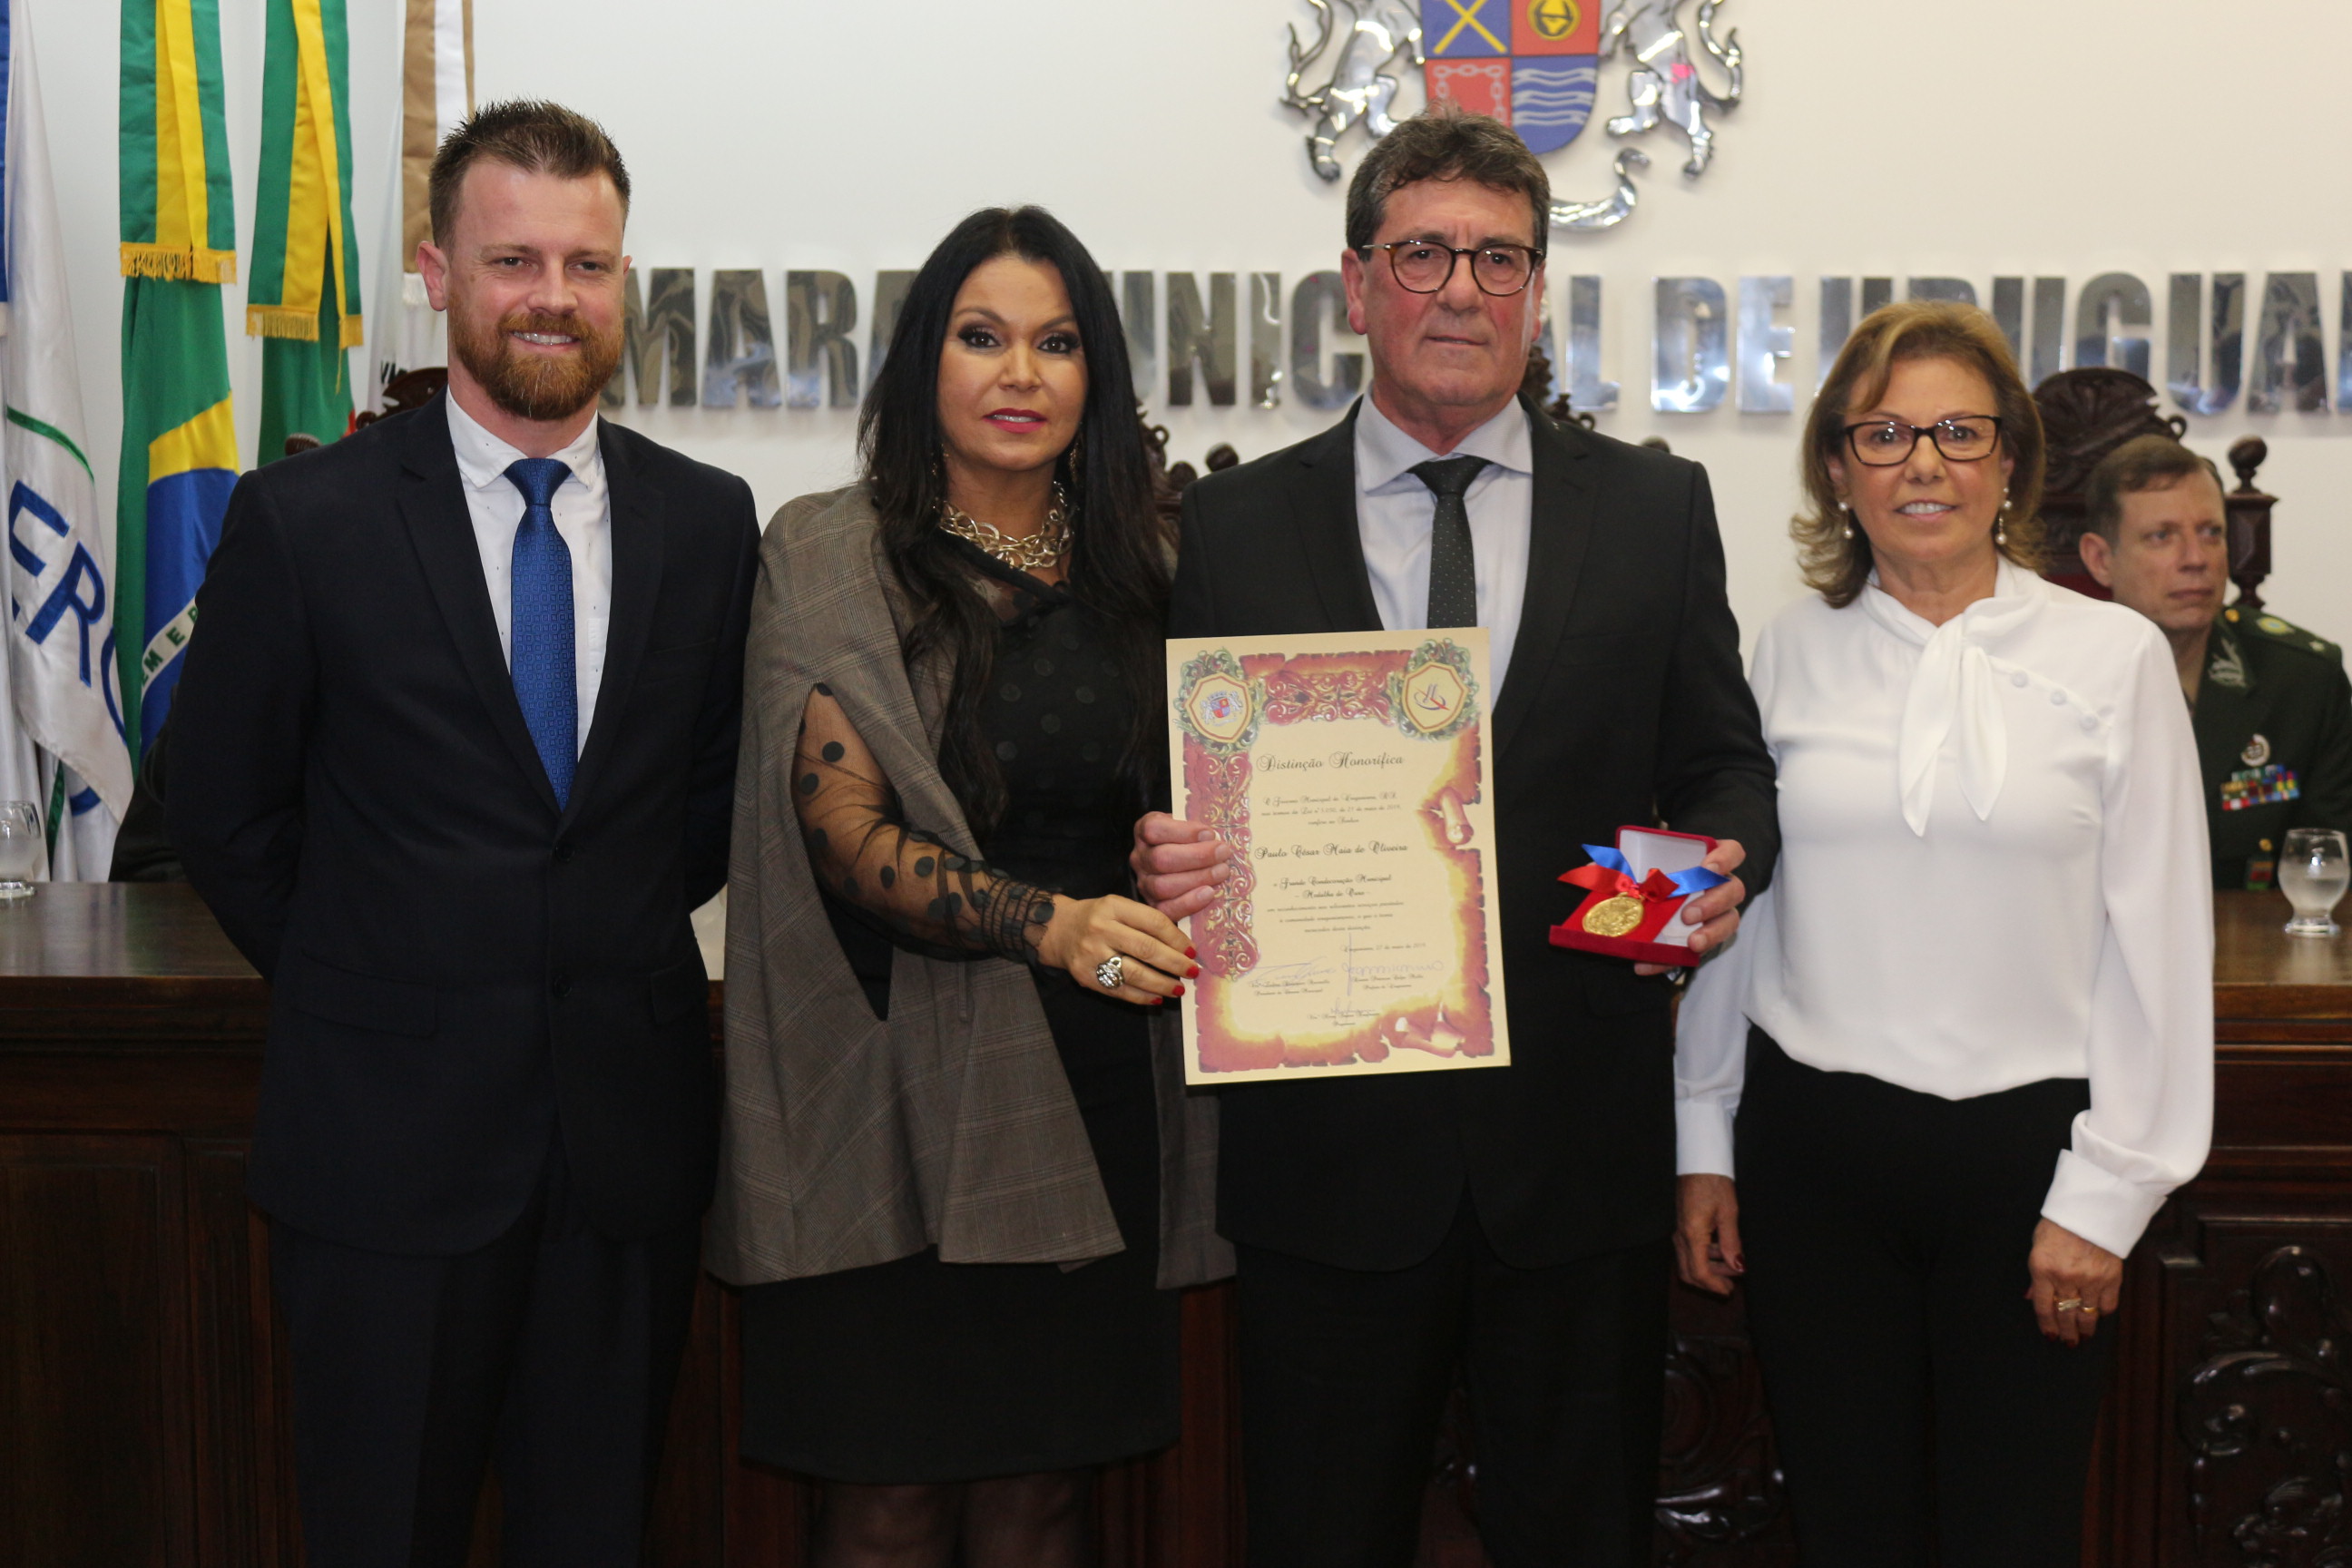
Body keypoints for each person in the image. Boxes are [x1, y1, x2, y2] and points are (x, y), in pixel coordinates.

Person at [1130, 105, 1778, 1567]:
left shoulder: (1656, 510)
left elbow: (1725, 771)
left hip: (1576, 1158)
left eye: (1500, 259)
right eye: (1424, 254)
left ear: (1539, 292)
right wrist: (1164, 862)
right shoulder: (1234, 525)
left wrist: (1708, 883)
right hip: (1328, 1164)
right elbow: (1174, 795)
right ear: (1356, 284)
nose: (1463, 291)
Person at [166, 102, 759, 1568]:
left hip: (623, 1162)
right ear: (437, 271)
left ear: (624, 280)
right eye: (514, 260)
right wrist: (379, 974)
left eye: (586, 263)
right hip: (383, 1158)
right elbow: (223, 812)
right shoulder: (305, 521)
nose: (553, 296)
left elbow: (700, 806)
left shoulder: (708, 521)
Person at [704, 206, 1228, 1568]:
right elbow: (843, 834)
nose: (1020, 374)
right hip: (892, 1083)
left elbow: (1201, 800)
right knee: (886, 1504)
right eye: (982, 337)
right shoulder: (828, 553)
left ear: (1096, 372)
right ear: (923, 361)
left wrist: (1180, 862)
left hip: (1103, 1082)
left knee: (1042, 1500)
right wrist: (1050, 927)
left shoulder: (1154, 566)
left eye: (1057, 344)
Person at [1674, 302, 2213, 1567]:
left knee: (2012, 1532)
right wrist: (1703, 1136)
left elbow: (2160, 945)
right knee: (1845, 1528)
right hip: (1814, 1158)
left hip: (2031, 1164)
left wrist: (2109, 1193)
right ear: (1836, 468)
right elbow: (1738, 908)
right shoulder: (1783, 651)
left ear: (2011, 460)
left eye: (1960, 433)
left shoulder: (2115, 655)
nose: (1925, 464)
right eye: (1885, 434)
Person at [2077, 433, 2352, 890]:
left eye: (2211, 533)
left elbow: (2330, 876)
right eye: (2162, 536)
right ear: (2101, 559)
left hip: (2255, 932)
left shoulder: (2303, 682)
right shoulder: (2049, 681)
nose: (2196, 559)